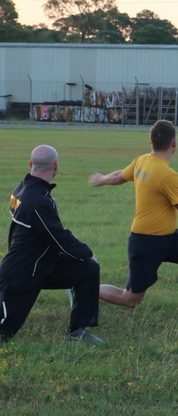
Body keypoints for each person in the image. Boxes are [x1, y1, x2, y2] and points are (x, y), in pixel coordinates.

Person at [90, 120, 178, 318]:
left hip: (168, 238)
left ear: (150, 141)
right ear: (174, 143)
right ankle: (82, 285)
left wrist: (102, 179)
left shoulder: (142, 161)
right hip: (145, 242)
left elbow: (119, 176)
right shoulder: (167, 175)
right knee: (130, 299)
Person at [0, 146, 103, 344]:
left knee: (88, 269)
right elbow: (60, 240)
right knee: (4, 333)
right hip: (22, 274)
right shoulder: (38, 201)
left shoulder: (23, 188)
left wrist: (86, 259)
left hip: (43, 266)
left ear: (31, 164)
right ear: (55, 166)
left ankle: (77, 331)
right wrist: (87, 252)